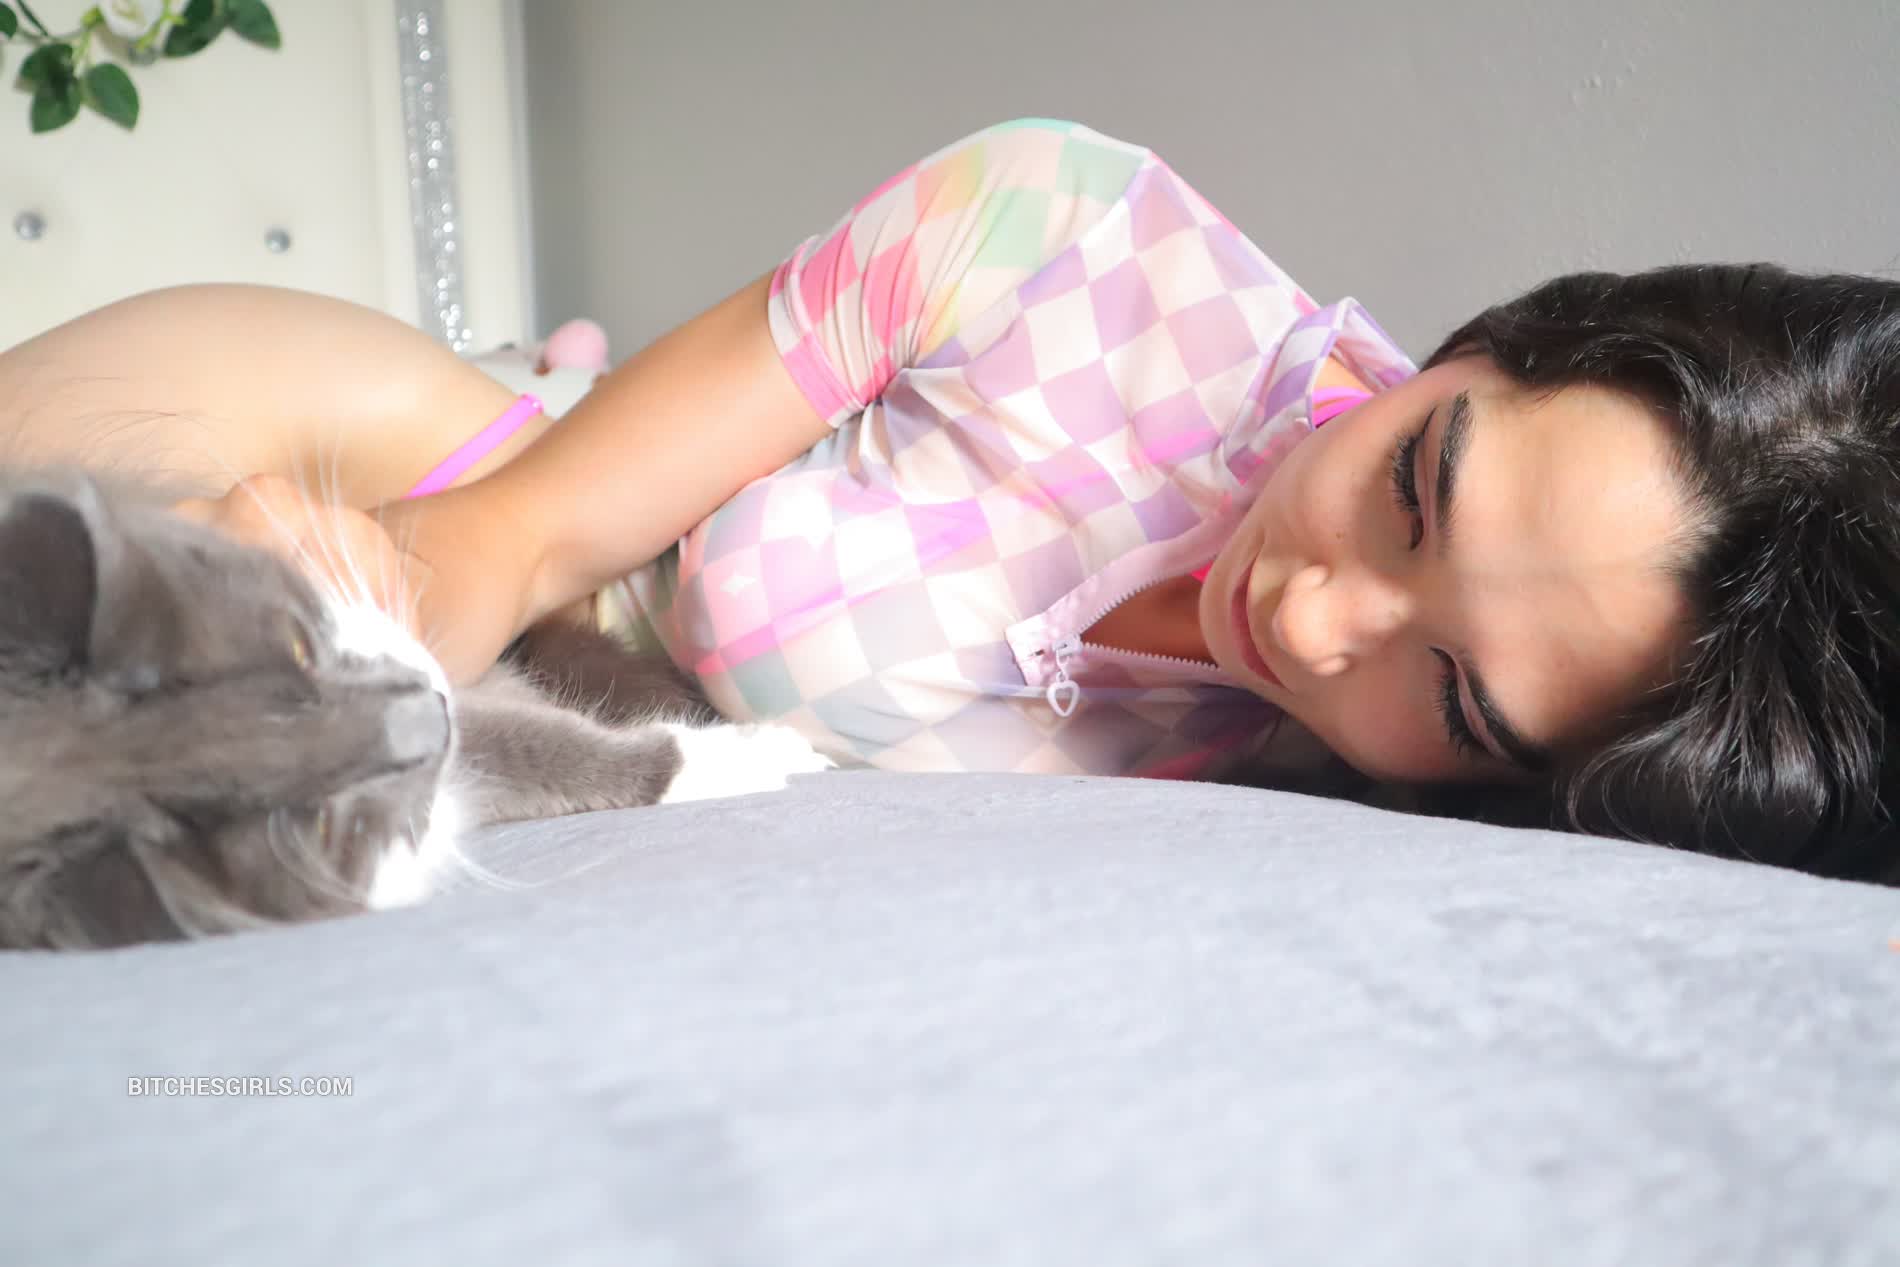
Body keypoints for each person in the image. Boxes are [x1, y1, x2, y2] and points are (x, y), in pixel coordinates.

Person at [3, 118, 1896, 884]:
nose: (1315, 620)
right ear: (1498, 339)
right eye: (1415, 485)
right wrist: (344, 594)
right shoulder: (1069, 233)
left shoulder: (1401, 825)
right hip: (444, 467)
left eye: (1458, 692)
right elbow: (513, 537)